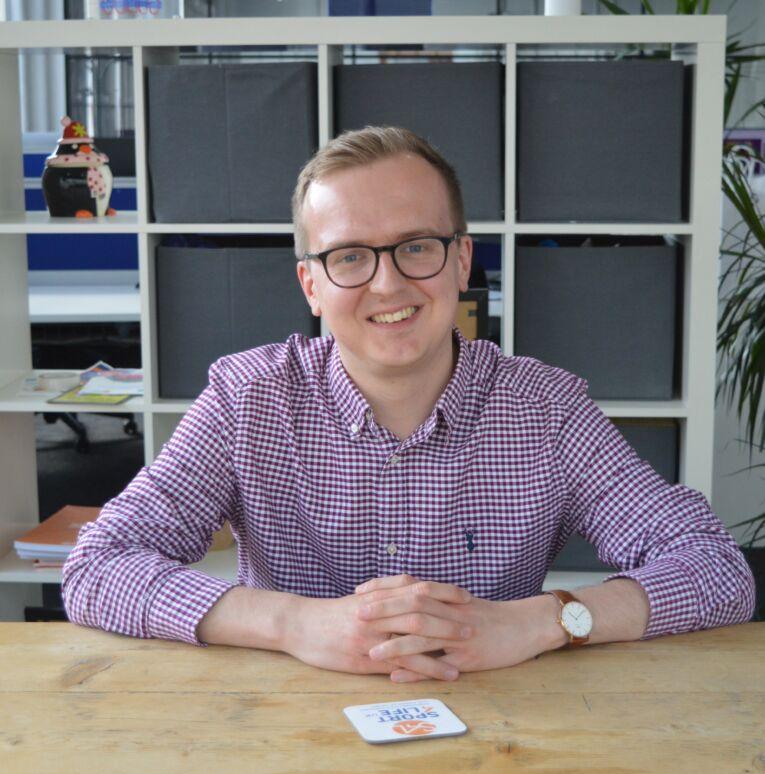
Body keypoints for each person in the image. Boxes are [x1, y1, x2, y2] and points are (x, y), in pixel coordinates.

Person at [61, 126, 756, 684]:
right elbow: (97, 567)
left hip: (504, 734)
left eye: (416, 247)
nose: (388, 285)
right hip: (281, 735)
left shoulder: (546, 408)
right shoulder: (248, 399)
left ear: (460, 262)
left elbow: (714, 568)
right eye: (350, 257)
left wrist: (543, 620)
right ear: (311, 284)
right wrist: (294, 623)